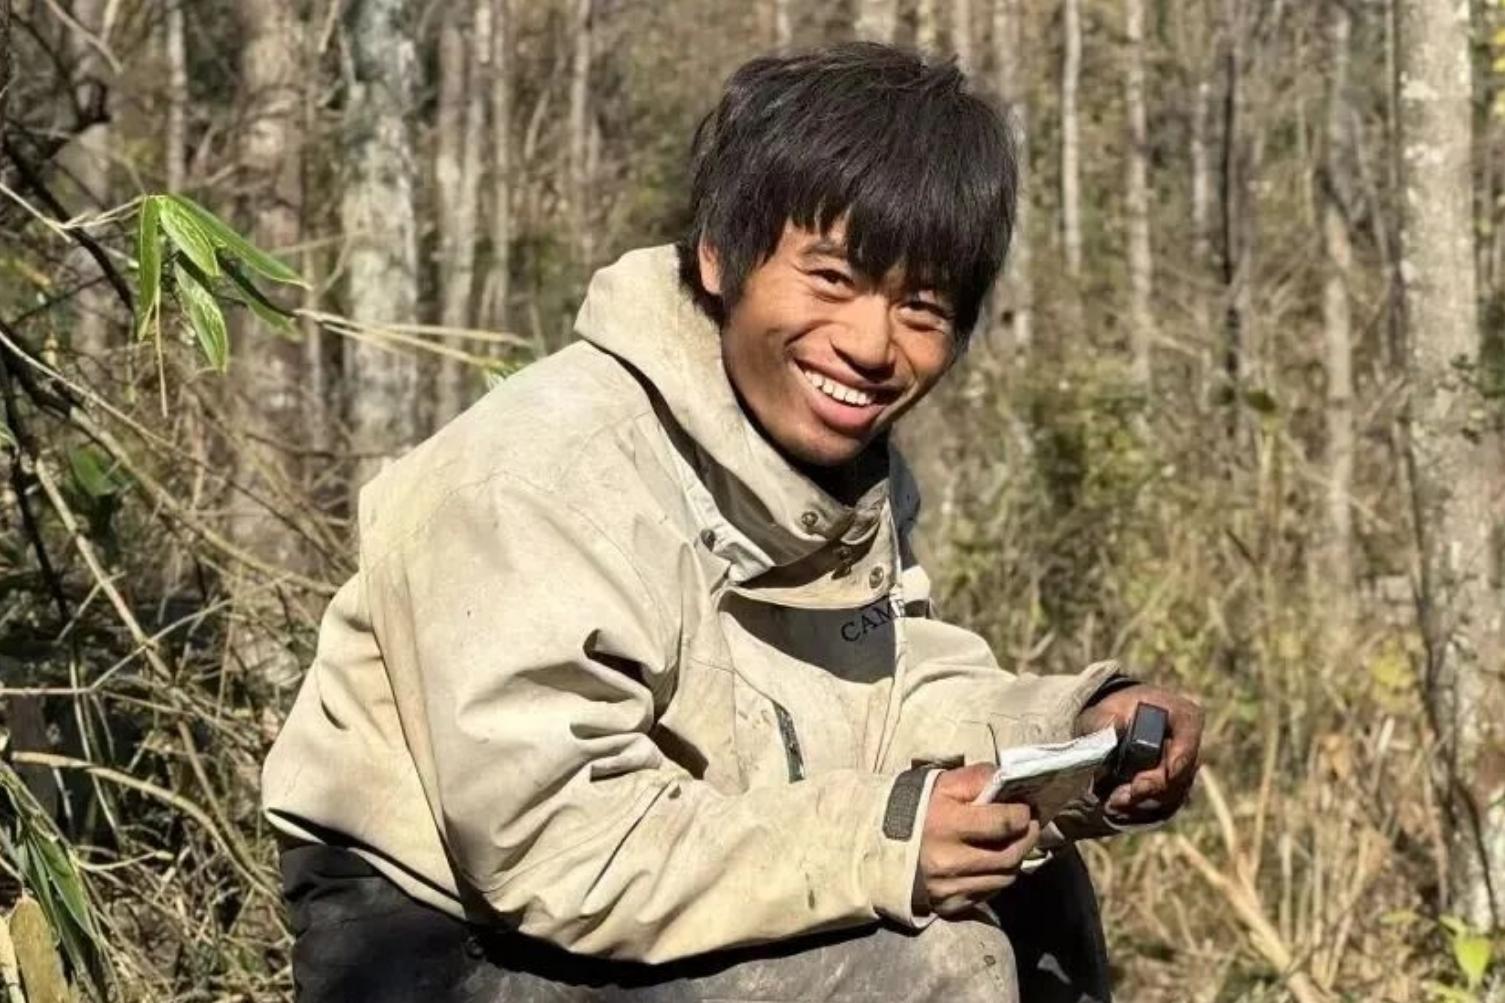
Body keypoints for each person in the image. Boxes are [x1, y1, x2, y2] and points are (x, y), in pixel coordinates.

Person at [261, 42, 1204, 1002]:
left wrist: (1072, 734)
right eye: (830, 278)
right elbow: (557, 845)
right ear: (719, 255)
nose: (871, 344)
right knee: (937, 962)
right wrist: (881, 841)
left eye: (920, 307)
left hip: (656, 877)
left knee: (1031, 879)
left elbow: (880, 688)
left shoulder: (821, 464)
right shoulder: (543, 472)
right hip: (453, 943)